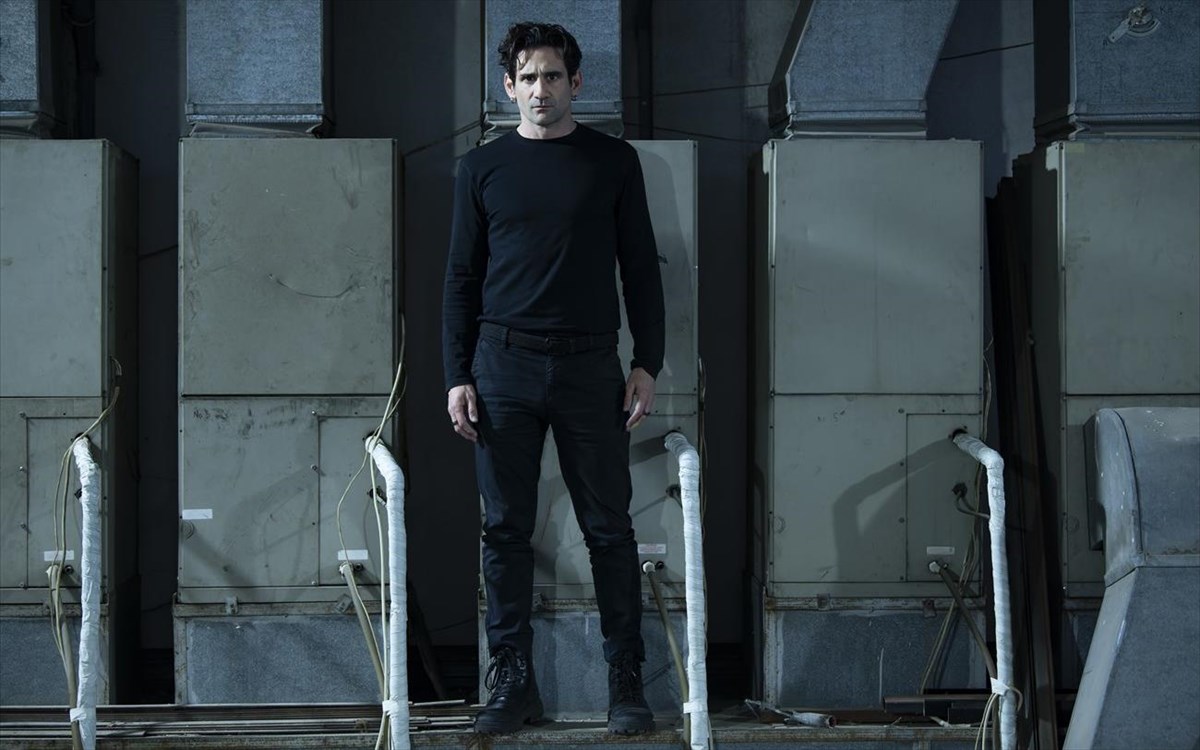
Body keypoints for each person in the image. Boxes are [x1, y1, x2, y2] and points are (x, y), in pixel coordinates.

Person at [442, 21, 665, 736]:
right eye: (528, 78)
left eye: (553, 76)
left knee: (610, 529)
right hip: (501, 364)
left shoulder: (613, 161)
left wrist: (647, 361)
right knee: (505, 530)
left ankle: (625, 681)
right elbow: (461, 279)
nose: (541, 90)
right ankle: (513, 683)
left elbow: (640, 266)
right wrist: (457, 375)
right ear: (509, 87)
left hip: (589, 364)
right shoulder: (481, 168)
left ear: (576, 83)